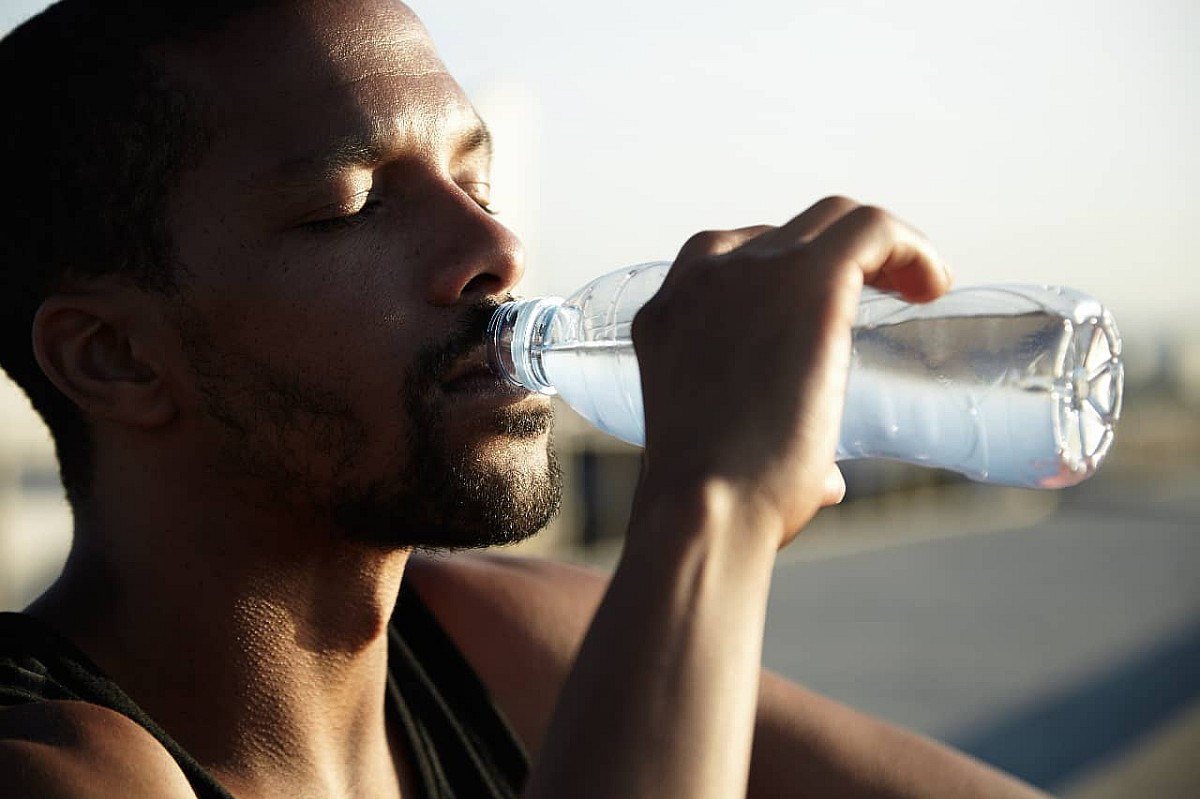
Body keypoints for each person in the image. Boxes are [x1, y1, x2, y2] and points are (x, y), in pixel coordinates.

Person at [0, 1, 1049, 797]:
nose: (497, 248)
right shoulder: (56, 764)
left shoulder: (508, 636)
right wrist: (713, 506)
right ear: (114, 358)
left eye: (479, 184)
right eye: (352, 207)